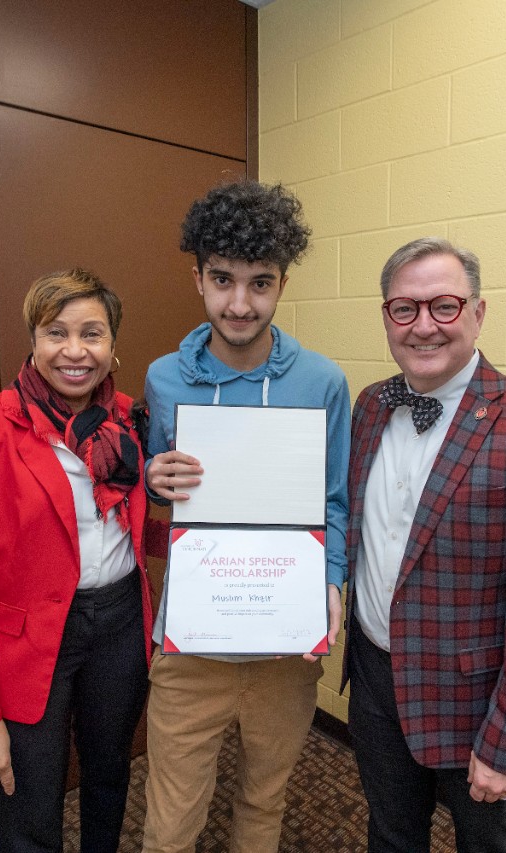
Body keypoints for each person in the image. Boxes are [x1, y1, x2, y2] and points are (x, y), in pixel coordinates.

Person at [344, 237, 506, 853]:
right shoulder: (371, 405)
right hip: (375, 679)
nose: (424, 325)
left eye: (445, 306)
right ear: (386, 318)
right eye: (405, 309)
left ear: (479, 314)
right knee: (391, 835)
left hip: (477, 701)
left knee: (490, 846)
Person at [139, 178, 350, 853]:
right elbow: (157, 495)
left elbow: (335, 499)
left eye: (259, 283)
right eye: (223, 279)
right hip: (192, 640)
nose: (239, 302)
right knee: (170, 821)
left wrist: (333, 579)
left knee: (265, 801)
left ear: (281, 284)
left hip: (283, 644)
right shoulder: (163, 378)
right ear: (197, 276)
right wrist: (153, 479)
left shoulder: (322, 382)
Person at [0, 268, 156, 853]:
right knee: (29, 796)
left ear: (113, 344)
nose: (75, 351)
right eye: (57, 332)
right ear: (33, 339)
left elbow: (129, 528)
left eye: (93, 333)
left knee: (110, 773)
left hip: (120, 623)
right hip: (32, 639)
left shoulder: (128, 419)